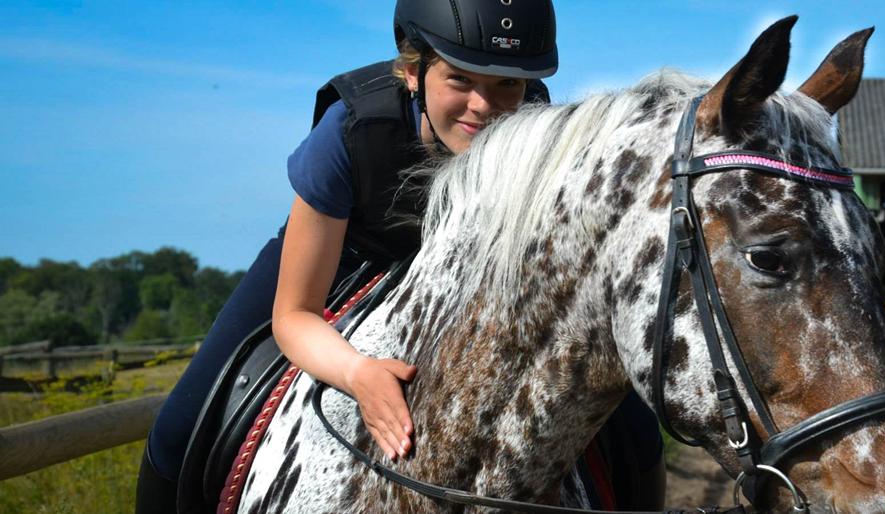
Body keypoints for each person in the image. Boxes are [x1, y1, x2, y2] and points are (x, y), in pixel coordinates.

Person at [136, 1, 662, 512]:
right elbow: (294, 316)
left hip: (470, 270)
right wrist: (357, 373)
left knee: (633, 428)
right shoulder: (349, 130)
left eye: (507, 84)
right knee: (179, 426)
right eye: (459, 79)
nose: (484, 105)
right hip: (346, 251)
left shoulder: (537, 129)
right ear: (413, 73)